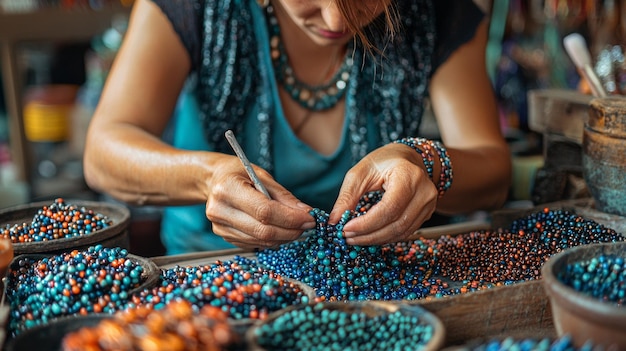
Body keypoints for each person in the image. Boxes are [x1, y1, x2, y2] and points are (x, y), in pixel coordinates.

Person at [83, 0, 512, 255]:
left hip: (369, 284)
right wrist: (207, 177)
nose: (336, 20)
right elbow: (105, 150)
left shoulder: (437, 11)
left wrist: (424, 162)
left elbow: (493, 170)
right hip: (213, 275)